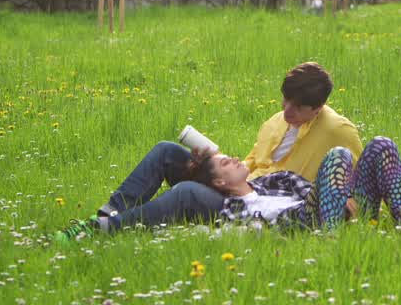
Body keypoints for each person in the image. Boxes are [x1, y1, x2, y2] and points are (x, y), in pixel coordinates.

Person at [57, 62, 361, 241]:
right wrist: (214, 166)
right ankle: (109, 213)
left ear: (318, 107)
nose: (286, 110)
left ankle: (101, 230)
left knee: (187, 192)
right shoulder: (275, 121)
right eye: (285, 100)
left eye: (296, 107)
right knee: (166, 151)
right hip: (239, 185)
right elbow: (252, 162)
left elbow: (349, 189)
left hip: (267, 205)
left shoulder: (338, 132)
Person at [183, 136, 401, 230]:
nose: (234, 159)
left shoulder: (277, 179)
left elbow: (314, 191)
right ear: (220, 181)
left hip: (335, 208)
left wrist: (343, 198)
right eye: (226, 163)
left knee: (383, 145)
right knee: (338, 154)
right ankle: (330, 240)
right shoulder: (232, 209)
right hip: (305, 219)